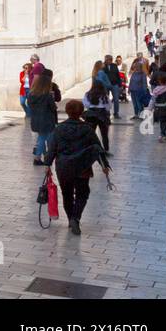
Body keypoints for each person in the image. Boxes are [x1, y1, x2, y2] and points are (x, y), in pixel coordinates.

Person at [43, 99, 105, 236]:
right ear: (81, 112)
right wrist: (104, 166)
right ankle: (75, 218)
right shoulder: (87, 129)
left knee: (67, 194)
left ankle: (71, 218)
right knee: (83, 193)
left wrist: (47, 164)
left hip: (64, 167)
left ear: (67, 111)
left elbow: (52, 149)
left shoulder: (58, 129)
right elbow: (97, 147)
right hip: (82, 166)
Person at [26, 73, 58, 165]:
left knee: (41, 137)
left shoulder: (31, 95)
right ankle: (37, 158)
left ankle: (44, 155)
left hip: (36, 120)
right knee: (43, 138)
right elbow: (53, 107)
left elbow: (29, 106)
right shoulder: (47, 96)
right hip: (46, 120)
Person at [82, 80, 112, 156]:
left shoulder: (88, 94)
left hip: (91, 114)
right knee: (104, 134)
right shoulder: (104, 95)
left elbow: (86, 104)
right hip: (102, 114)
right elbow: (109, 106)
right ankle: (106, 150)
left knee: (90, 133)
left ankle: (89, 149)